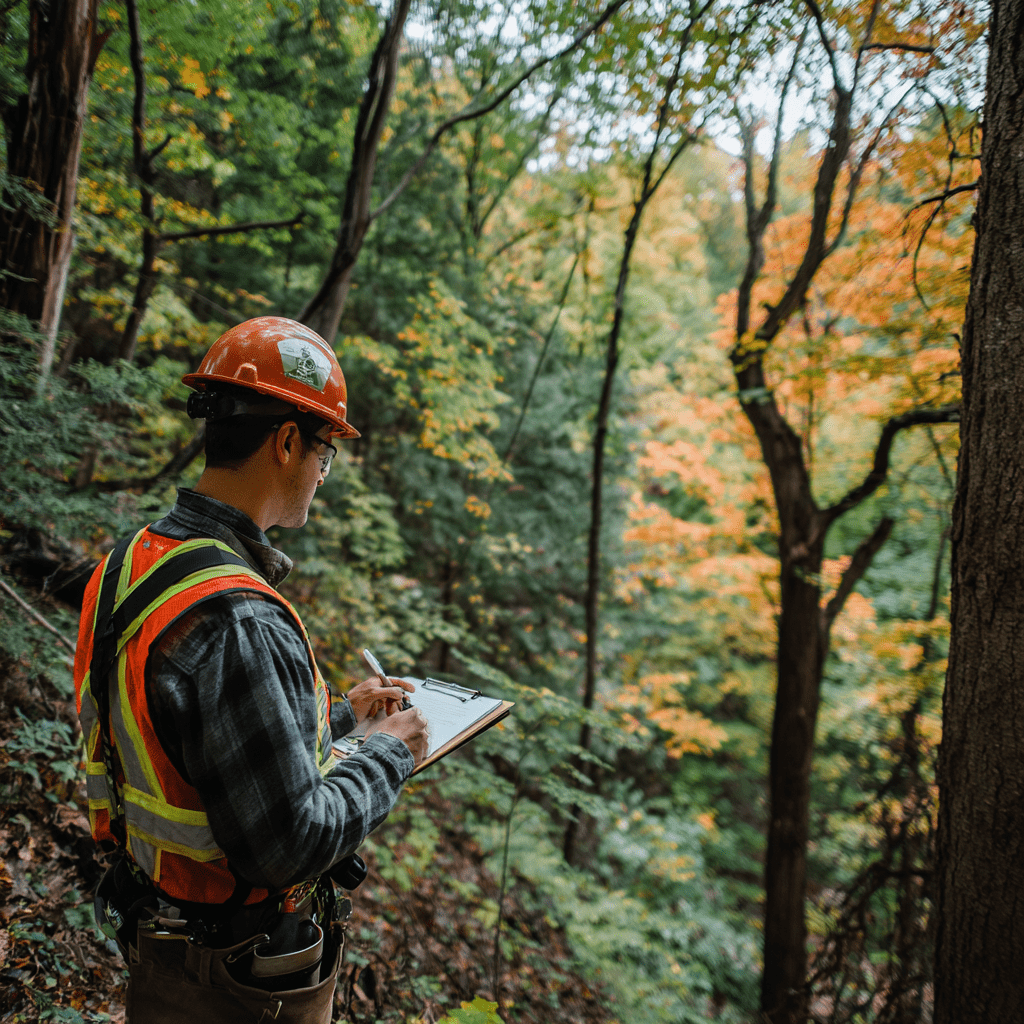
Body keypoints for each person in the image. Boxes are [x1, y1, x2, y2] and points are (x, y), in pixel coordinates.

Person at [73, 316, 429, 1023]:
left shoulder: (132, 563)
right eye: (325, 452)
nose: (323, 474)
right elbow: (290, 843)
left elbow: (193, 742)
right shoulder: (241, 617)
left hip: (158, 933)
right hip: (238, 975)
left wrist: (341, 719)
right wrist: (390, 754)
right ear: (288, 441)